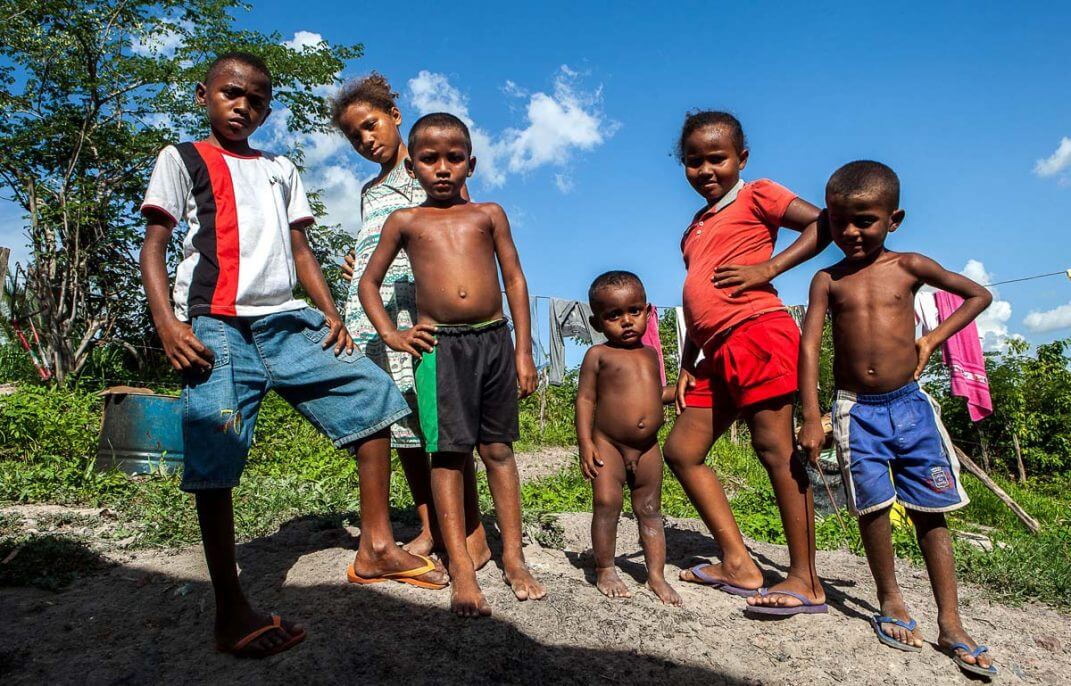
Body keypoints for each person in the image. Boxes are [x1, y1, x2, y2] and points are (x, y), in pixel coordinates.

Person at [139, 52, 446, 658]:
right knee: (217, 442)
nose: (242, 106)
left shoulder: (280, 168)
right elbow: (155, 244)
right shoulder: (181, 159)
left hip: (286, 321)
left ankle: (378, 546)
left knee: (374, 396)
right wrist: (167, 322)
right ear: (205, 95)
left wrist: (330, 311)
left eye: (255, 100)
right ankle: (230, 606)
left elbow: (301, 249)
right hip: (215, 325)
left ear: (266, 108)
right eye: (231, 93)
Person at [797, 161, 996, 677]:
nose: (851, 232)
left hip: (910, 406)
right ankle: (890, 600)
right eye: (839, 221)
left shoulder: (909, 266)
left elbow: (979, 294)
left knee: (931, 511)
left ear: (894, 218)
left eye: (865, 220)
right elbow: (811, 344)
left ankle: (950, 622)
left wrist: (930, 339)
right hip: (854, 410)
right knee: (873, 507)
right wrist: (812, 414)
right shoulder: (827, 279)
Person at [358, 112, 545, 617]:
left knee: (499, 451)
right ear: (412, 168)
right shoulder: (406, 221)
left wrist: (523, 351)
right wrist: (392, 334)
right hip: (441, 350)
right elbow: (368, 283)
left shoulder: (489, 214)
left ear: (471, 164)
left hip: (494, 342)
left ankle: (513, 557)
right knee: (447, 456)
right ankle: (462, 569)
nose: (442, 168)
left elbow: (516, 281)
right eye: (429, 158)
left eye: (454, 158)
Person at [664, 110, 829, 614]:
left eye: (718, 158)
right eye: (695, 161)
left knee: (775, 450)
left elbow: (824, 224)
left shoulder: (758, 193)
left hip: (759, 333)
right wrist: (688, 360)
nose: (706, 170)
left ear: (741, 158)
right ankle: (738, 561)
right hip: (714, 352)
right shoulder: (693, 229)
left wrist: (769, 267)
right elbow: (697, 299)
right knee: (681, 451)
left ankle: (805, 580)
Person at [331, 73, 489, 567]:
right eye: (355, 136)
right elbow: (380, 240)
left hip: (422, 314)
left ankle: (473, 533)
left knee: (442, 426)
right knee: (401, 427)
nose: (366, 140)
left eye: (371, 125)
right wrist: (357, 258)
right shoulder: (368, 188)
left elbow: (458, 231)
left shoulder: (424, 171)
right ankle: (432, 529)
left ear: (395, 117)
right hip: (376, 321)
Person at [575, 271, 681, 606]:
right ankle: (605, 567)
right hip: (609, 444)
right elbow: (586, 400)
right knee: (606, 503)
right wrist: (585, 443)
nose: (626, 321)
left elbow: (654, 394)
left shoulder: (650, 354)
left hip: (648, 447)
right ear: (597, 321)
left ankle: (656, 575)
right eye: (614, 315)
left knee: (650, 510)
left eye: (634, 311)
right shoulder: (599, 355)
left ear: (648, 312)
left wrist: (679, 391)